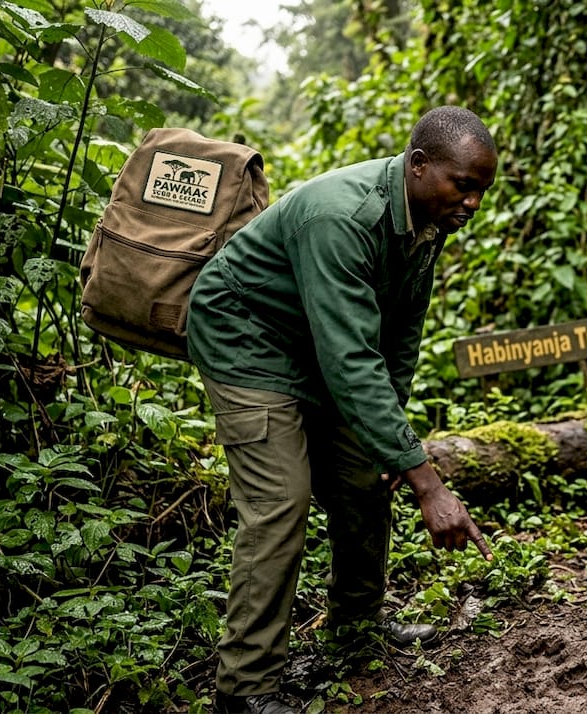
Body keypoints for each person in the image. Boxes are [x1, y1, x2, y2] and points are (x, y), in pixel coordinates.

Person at [186, 105, 497, 714]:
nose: (473, 204)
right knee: (281, 499)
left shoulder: (427, 221)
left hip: (319, 344)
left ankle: (355, 631)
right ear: (418, 165)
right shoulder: (341, 217)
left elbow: (398, 337)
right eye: (463, 186)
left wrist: (393, 449)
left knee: (365, 475)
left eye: (482, 191)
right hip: (246, 340)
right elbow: (352, 360)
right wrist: (428, 482)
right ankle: (244, 688)